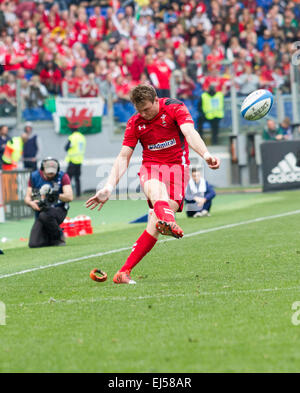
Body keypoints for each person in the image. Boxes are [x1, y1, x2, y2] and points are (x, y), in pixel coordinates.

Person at [86, 84, 220, 285]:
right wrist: (108, 187)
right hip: (152, 168)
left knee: (154, 225)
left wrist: (206, 154)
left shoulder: (175, 108)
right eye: (139, 111)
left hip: (177, 170)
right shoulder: (134, 123)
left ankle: (123, 272)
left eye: (147, 109)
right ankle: (168, 220)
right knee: (157, 192)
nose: (144, 114)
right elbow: (124, 157)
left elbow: (189, 132)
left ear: (156, 100)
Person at [24, 158, 73, 248]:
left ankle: (59, 237)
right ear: (42, 170)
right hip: (41, 211)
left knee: (45, 215)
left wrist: (54, 194)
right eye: (48, 172)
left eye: (53, 172)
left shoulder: (63, 176)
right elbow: (27, 198)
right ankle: (50, 238)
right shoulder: (34, 177)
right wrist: (31, 203)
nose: (51, 174)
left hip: (59, 209)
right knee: (34, 244)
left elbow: (69, 197)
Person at [65, 129, 86, 198]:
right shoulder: (82, 137)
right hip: (79, 160)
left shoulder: (72, 137)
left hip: (72, 160)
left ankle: (66, 193)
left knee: (67, 178)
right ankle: (78, 194)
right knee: (77, 178)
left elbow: (66, 147)